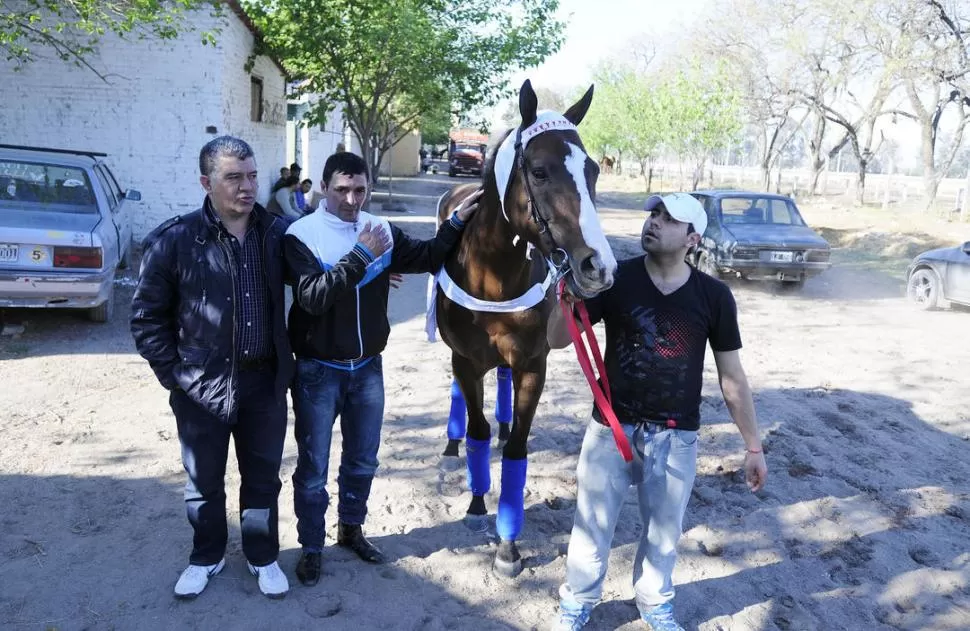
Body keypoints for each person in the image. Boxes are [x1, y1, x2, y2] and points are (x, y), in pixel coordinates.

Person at [547, 193, 768, 631]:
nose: (654, 223)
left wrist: (753, 445)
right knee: (591, 528)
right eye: (653, 214)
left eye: (669, 219)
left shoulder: (715, 297)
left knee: (664, 535)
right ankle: (576, 603)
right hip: (611, 429)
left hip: (676, 436)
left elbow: (732, 377)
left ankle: (654, 602)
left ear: (693, 238)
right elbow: (556, 339)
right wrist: (566, 299)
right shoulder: (615, 280)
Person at [284, 151, 483, 587]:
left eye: (360, 190)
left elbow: (430, 256)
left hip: (368, 369)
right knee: (314, 468)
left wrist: (455, 223)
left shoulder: (382, 231)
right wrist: (361, 256)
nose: (352, 200)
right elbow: (313, 298)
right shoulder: (301, 235)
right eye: (342, 190)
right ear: (323, 187)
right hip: (318, 371)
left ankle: (351, 531)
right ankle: (312, 547)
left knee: (362, 460)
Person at [131, 136, 294, 600]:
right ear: (206, 182)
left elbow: (318, 278)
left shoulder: (280, 233)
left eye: (251, 175)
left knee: (262, 477)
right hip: (200, 385)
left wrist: (371, 273)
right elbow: (146, 319)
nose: (247, 187)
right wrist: (178, 379)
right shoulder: (175, 240)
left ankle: (262, 556)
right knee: (203, 483)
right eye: (233, 178)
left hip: (264, 383)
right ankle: (207, 555)